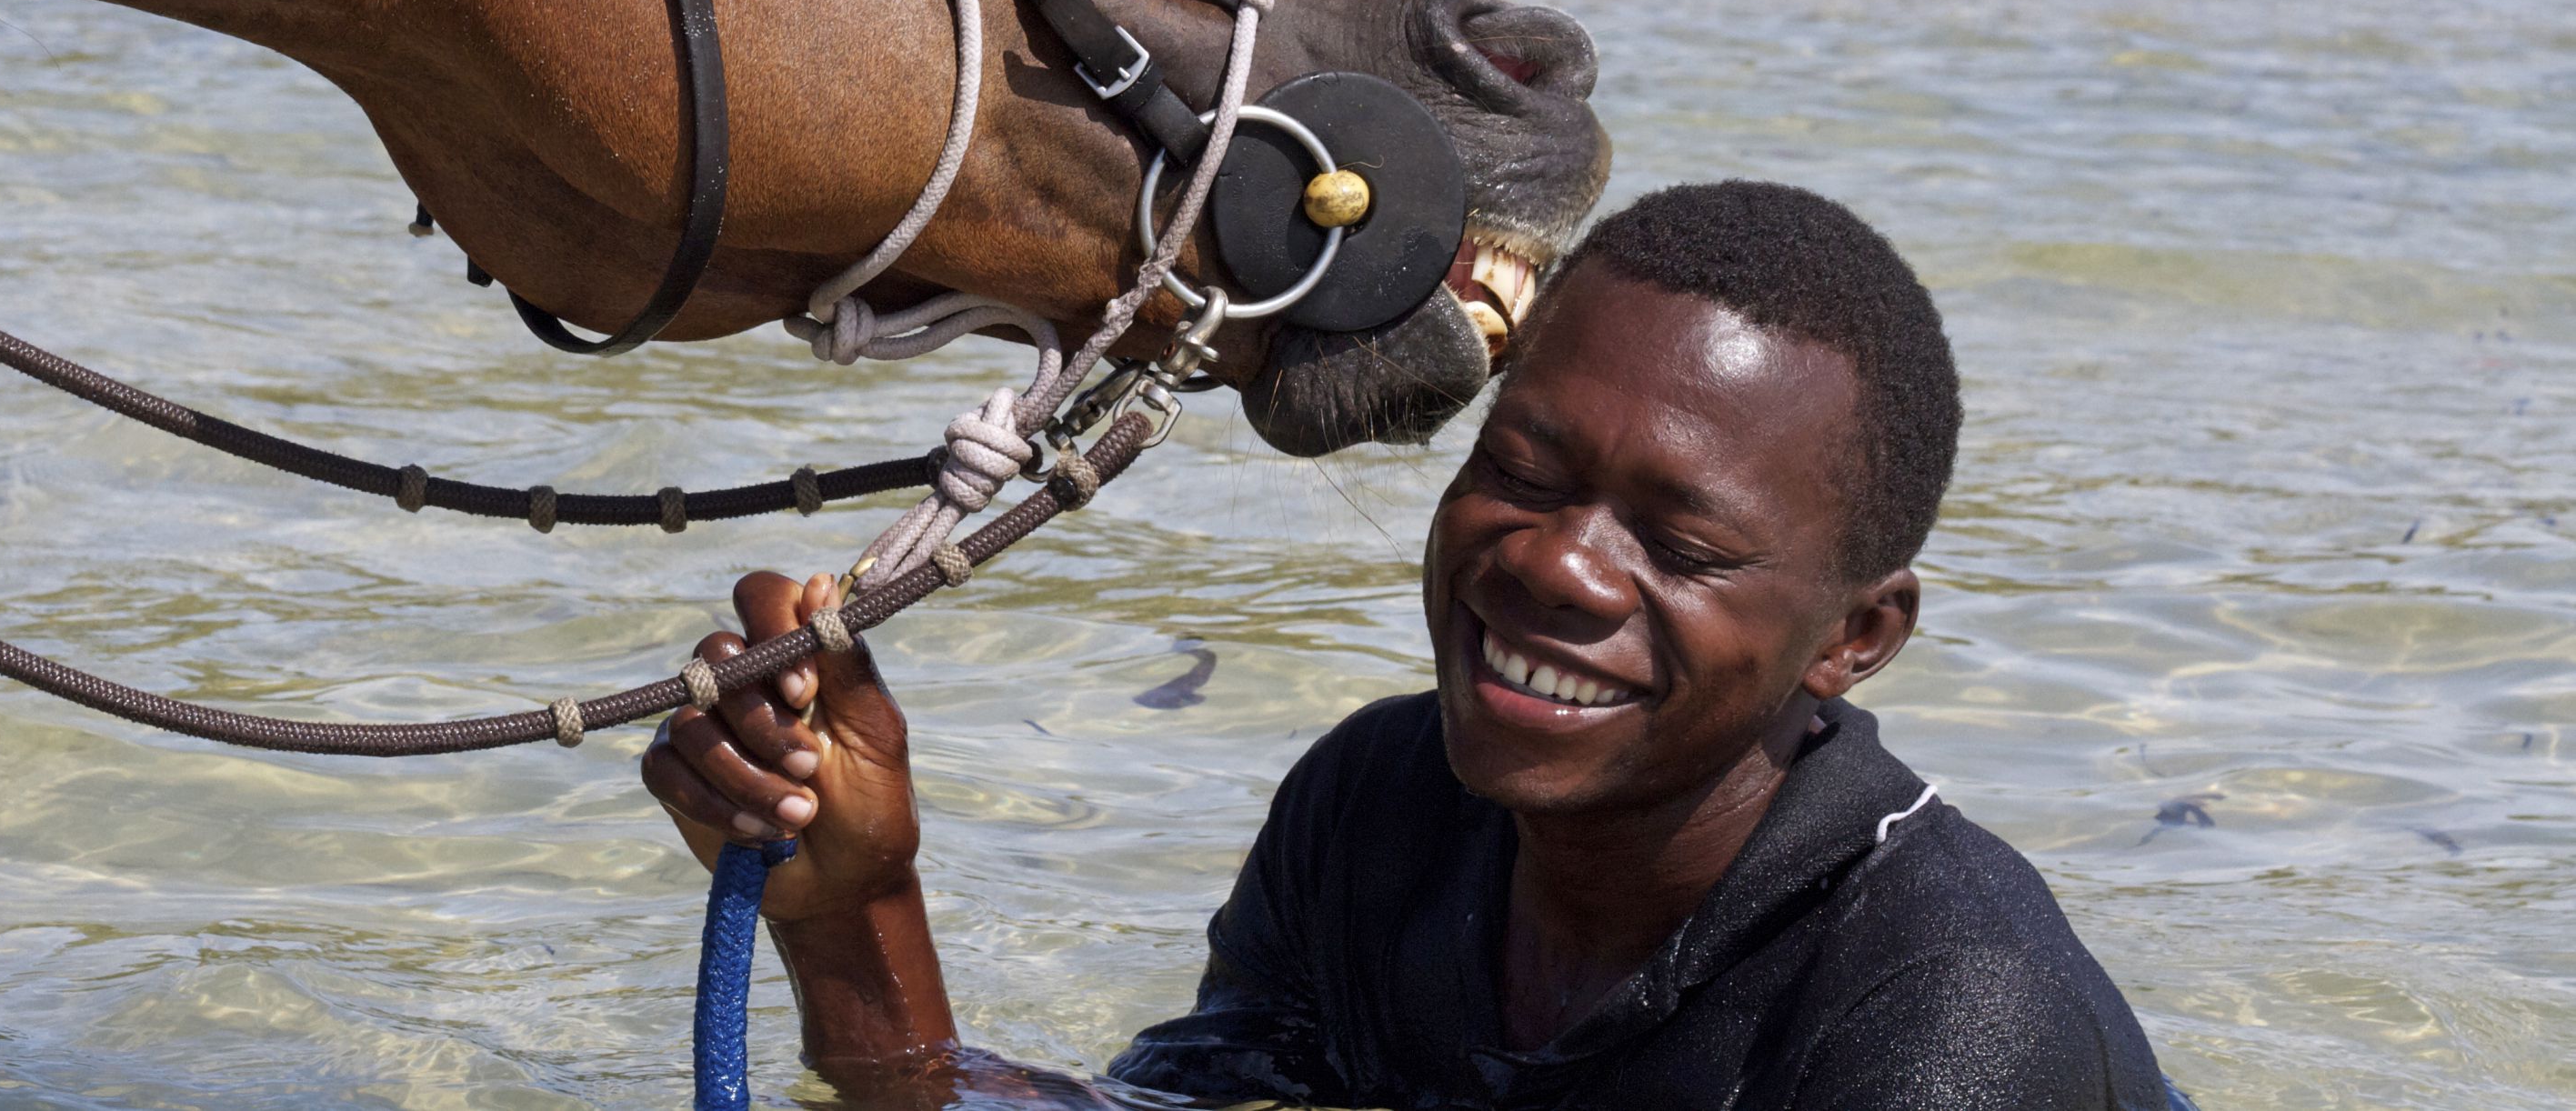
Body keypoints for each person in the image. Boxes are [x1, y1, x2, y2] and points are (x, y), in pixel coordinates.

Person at [641, 180, 2179, 1108]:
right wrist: (855, 908)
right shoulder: (1385, 807)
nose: (1561, 566)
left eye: (1685, 546)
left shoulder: (1946, 1014)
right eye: (1521, 470)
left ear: (1857, 638)